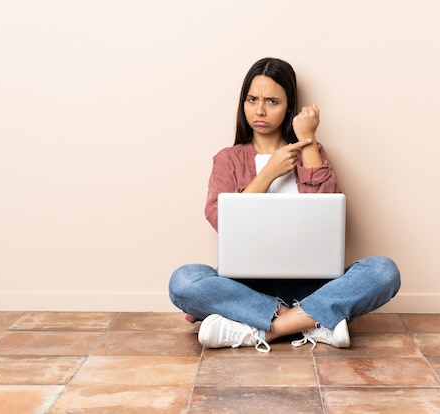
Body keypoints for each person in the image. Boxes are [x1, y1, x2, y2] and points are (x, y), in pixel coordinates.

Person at [169, 57, 400, 353]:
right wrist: (269, 173)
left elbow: (327, 220)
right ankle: (312, 322)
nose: (260, 110)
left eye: (272, 101)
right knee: (184, 281)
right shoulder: (228, 159)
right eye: (252, 100)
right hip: (245, 286)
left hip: (311, 283)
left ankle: (257, 330)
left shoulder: (313, 152)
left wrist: (308, 140)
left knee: (383, 271)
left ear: (289, 106)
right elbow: (222, 222)